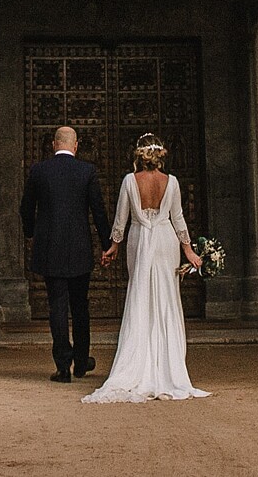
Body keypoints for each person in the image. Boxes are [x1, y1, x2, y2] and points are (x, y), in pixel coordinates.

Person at [81, 132, 209, 403]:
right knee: (165, 299)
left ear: (138, 156)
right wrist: (188, 249)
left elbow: (121, 219)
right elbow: (179, 219)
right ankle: (168, 367)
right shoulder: (171, 182)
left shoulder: (130, 181)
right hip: (165, 240)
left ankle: (137, 364)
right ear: (160, 156)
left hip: (140, 239)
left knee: (139, 295)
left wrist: (113, 246)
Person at [20, 125, 110, 383]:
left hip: (49, 248)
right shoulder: (87, 171)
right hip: (80, 247)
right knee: (80, 305)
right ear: (76, 145)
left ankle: (62, 366)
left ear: (53, 144)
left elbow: (26, 207)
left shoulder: (39, 171)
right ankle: (81, 361)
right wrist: (107, 243)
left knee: (56, 305)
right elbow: (98, 212)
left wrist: (30, 233)